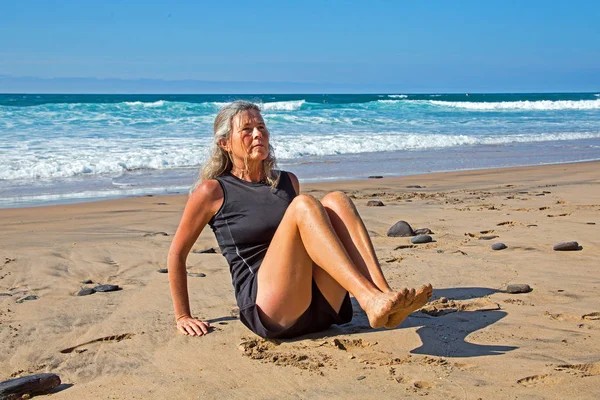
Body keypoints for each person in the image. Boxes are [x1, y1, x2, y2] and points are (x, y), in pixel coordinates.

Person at [168, 100, 432, 339]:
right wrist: (183, 315)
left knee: (335, 200)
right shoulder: (213, 191)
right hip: (270, 307)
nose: (258, 133)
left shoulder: (287, 181)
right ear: (225, 143)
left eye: (261, 127)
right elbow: (177, 254)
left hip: (317, 306)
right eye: (246, 130)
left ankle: (383, 295)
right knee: (303, 205)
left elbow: (311, 242)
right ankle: (368, 298)